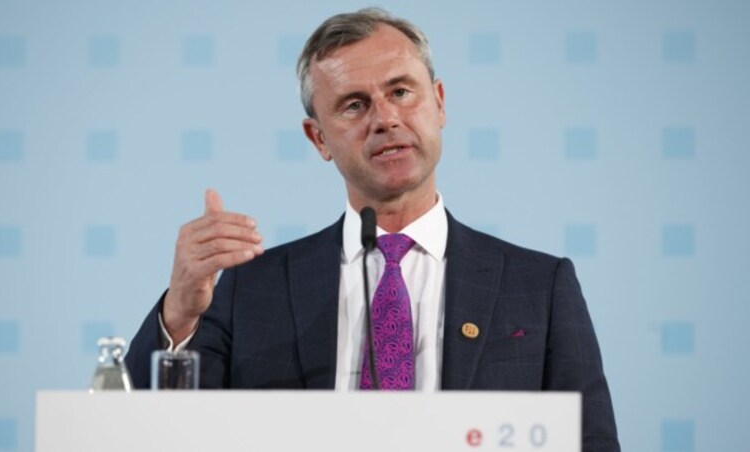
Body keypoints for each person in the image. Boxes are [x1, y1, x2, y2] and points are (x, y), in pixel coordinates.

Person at [126, 7, 620, 450]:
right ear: (319, 138)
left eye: (401, 92)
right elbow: (154, 435)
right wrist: (179, 315)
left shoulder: (539, 286)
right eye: (355, 105)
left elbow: (591, 441)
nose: (385, 119)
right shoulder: (248, 288)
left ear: (440, 103)